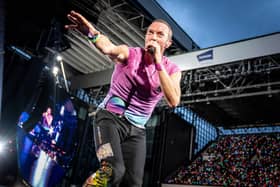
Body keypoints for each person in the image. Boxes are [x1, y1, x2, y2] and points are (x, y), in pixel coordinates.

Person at [65, 10, 182, 187]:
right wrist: (91, 33)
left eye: (160, 34)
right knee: (111, 170)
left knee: (133, 183)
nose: (153, 37)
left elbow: (173, 100)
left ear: (168, 43)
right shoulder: (131, 54)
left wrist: (158, 62)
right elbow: (108, 48)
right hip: (108, 120)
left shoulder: (171, 69)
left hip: (137, 131)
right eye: (150, 32)